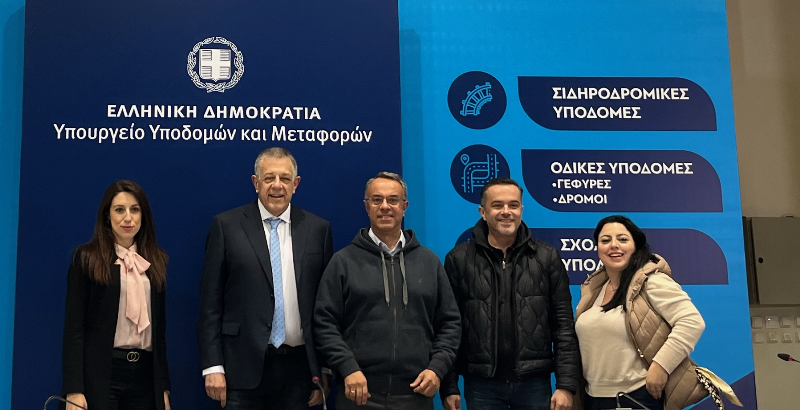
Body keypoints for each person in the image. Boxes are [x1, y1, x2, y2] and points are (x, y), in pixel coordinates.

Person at [197, 147, 333, 409]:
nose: (277, 185)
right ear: (256, 182)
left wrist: (324, 367)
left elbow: (326, 307)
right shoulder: (226, 226)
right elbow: (210, 304)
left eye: (285, 178)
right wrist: (213, 366)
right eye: (269, 178)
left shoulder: (318, 229)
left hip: (299, 371)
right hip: (241, 369)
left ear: (296, 184)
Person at [314, 172, 461, 410]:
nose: (385, 206)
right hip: (358, 394)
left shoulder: (429, 262)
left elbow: (450, 324)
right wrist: (348, 368)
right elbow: (324, 323)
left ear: (404, 206)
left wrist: (437, 369)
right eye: (377, 200)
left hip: (416, 394)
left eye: (393, 200)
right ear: (367, 206)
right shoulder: (343, 262)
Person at [441, 177, 579, 410]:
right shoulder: (459, 259)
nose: (506, 211)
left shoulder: (546, 257)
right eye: (497, 205)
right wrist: (449, 386)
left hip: (534, 384)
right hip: (481, 385)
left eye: (513, 205)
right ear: (483, 212)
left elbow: (563, 325)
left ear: (521, 209)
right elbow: (450, 326)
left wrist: (566, 385)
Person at [574, 215, 705, 410]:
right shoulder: (595, 290)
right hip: (593, 398)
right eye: (605, 240)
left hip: (637, 397)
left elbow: (692, 321)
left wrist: (661, 367)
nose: (614, 245)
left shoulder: (652, 281)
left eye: (622, 239)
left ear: (635, 245)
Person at [62, 180, 171, 410]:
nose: (128, 218)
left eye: (135, 209)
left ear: (143, 216)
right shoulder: (87, 259)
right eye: (119, 210)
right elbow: (74, 329)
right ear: (107, 216)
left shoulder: (156, 261)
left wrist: (163, 388)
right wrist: (74, 389)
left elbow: (159, 333)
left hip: (145, 376)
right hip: (102, 374)